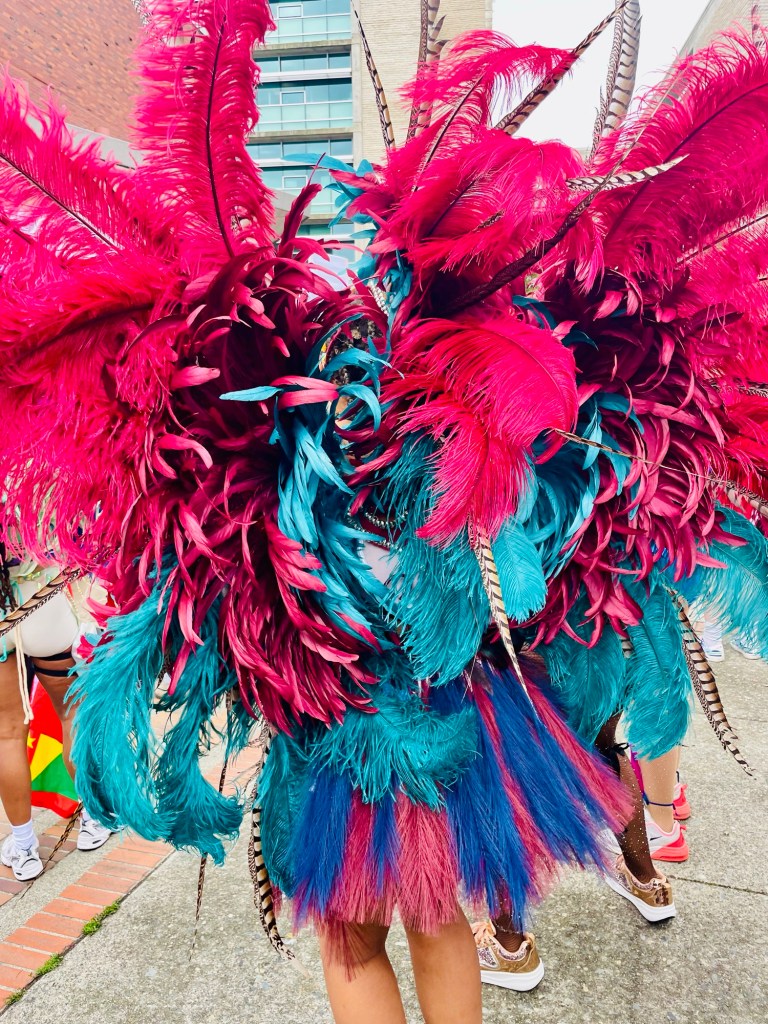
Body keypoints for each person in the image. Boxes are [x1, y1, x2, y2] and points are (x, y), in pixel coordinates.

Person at [0, 550, 111, 881]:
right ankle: (94, 817)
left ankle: (23, 847)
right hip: (39, 597)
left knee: (7, 733)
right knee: (71, 711)